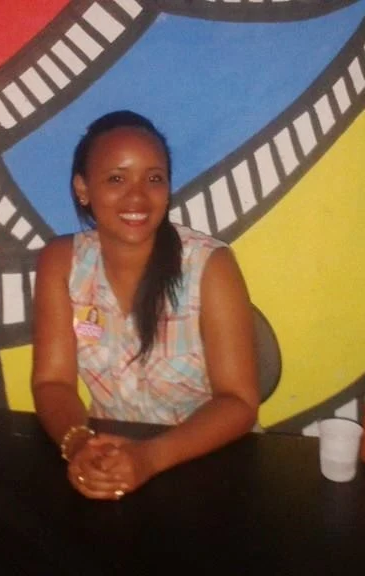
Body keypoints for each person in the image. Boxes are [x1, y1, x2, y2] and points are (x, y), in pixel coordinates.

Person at [31, 110, 259, 500]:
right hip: (109, 459)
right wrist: (80, 445)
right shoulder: (61, 262)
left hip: (206, 467)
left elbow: (238, 402)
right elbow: (53, 382)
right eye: (116, 179)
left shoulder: (209, 266)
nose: (137, 196)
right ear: (83, 188)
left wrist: (149, 458)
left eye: (154, 179)